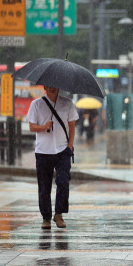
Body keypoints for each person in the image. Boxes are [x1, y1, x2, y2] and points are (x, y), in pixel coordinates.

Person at [26, 86, 78, 229]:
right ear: (44, 87)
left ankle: (59, 214)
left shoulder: (67, 104)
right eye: (49, 85)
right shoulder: (36, 104)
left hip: (62, 150)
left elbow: (72, 126)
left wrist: (70, 146)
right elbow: (31, 126)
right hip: (43, 151)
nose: (52, 88)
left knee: (63, 182)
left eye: (55, 85)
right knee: (44, 186)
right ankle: (46, 218)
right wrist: (44, 127)